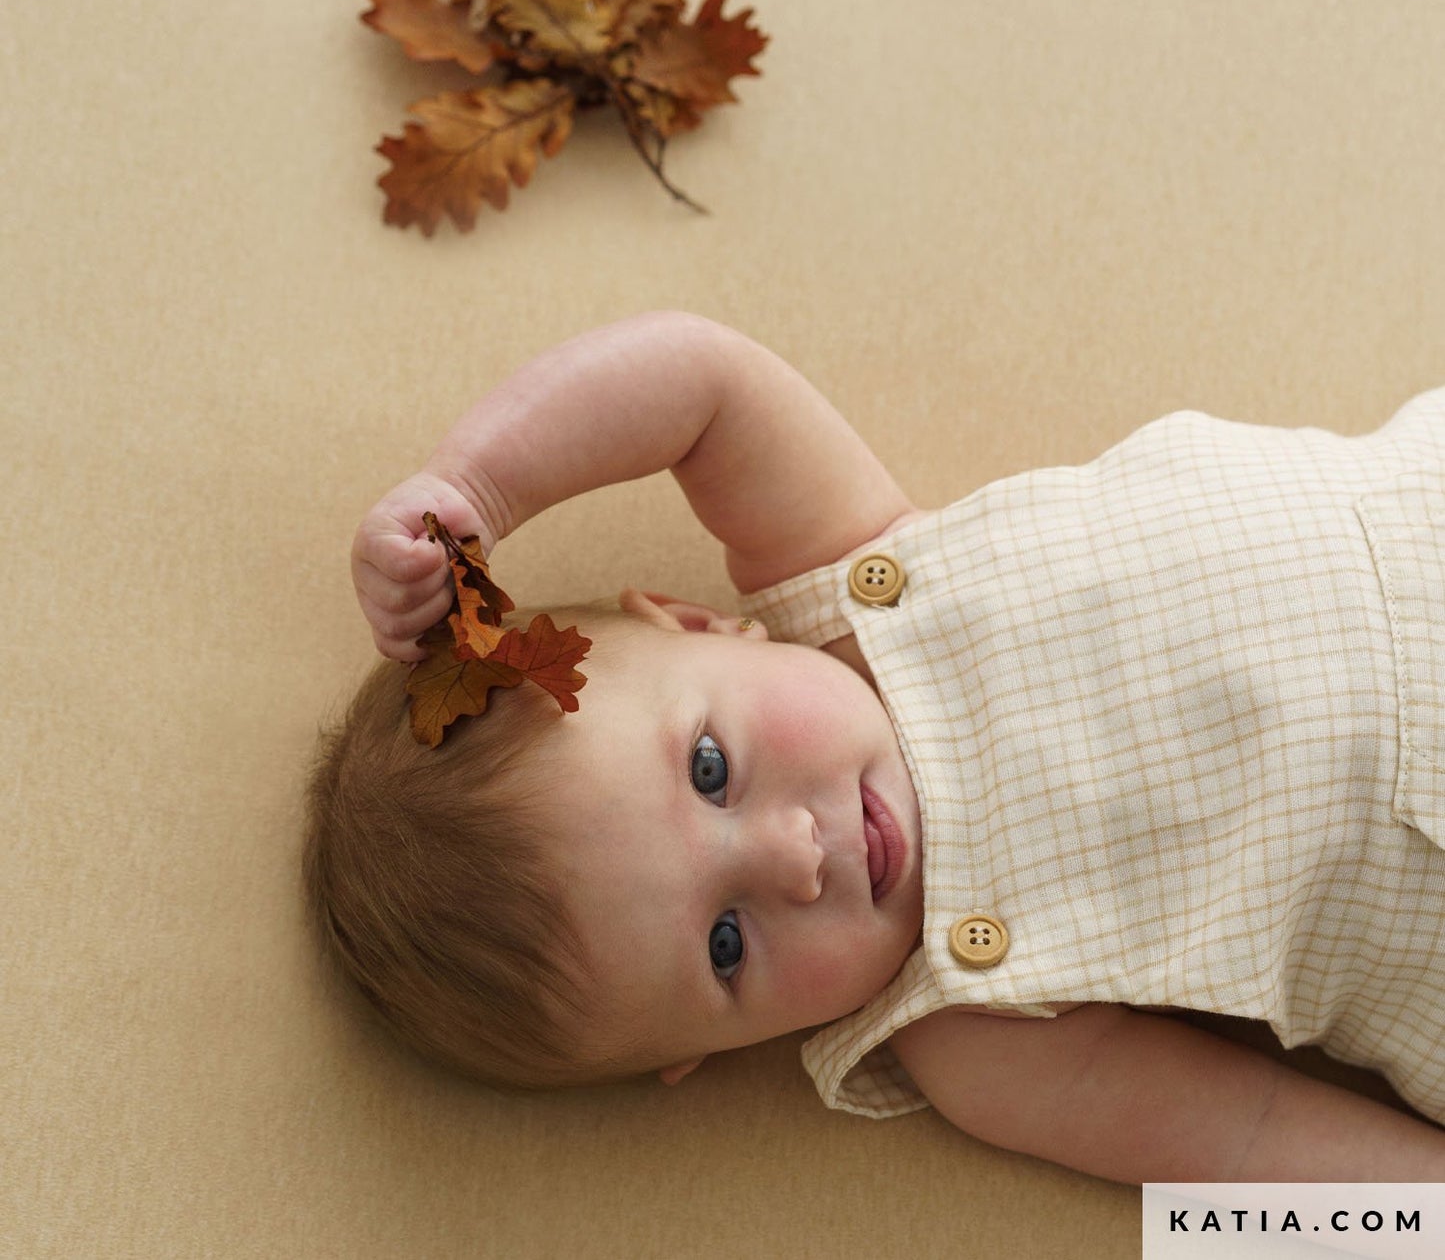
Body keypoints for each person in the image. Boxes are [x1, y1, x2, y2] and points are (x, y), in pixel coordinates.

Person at [310, 309, 1445, 1183]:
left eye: (710, 770)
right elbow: (1247, 1144)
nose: (796, 856)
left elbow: (695, 376)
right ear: (698, 1052)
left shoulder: (848, 565)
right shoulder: (980, 1041)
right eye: (724, 945)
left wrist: (474, 487)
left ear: (701, 624)